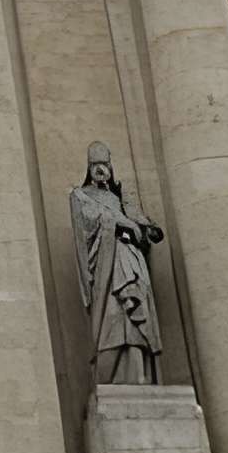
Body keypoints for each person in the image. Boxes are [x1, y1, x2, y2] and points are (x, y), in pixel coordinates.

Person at [70, 141, 163, 385]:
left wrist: (146, 227)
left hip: (129, 255)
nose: (100, 169)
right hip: (108, 263)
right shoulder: (81, 195)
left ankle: (138, 373)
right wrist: (124, 222)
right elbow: (90, 221)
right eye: (95, 165)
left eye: (104, 164)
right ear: (88, 168)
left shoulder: (119, 197)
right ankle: (112, 377)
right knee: (115, 313)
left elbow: (140, 222)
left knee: (135, 307)